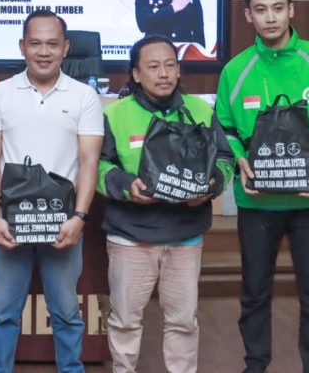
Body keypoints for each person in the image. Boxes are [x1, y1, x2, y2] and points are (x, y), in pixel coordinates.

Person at [214, 0, 309, 373]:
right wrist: (238, 158)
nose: (270, 17)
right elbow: (224, 128)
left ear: (292, 10)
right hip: (257, 203)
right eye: (261, 10)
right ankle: (255, 365)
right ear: (248, 15)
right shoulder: (235, 70)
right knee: (254, 294)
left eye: (278, 8)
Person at [98, 35, 233, 373]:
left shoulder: (202, 111)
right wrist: (127, 186)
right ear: (136, 74)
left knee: (183, 323)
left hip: (185, 236)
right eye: (154, 66)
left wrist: (213, 184)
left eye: (170, 65)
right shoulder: (114, 114)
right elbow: (98, 166)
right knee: (125, 322)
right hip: (131, 237)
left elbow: (225, 159)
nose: (163, 73)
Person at [0, 10, 104, 373]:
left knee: (65, 311)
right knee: (4, 312)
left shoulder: (84, 96)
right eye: (35, 43)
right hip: (11, 222)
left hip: (63, 222)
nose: (44, 52)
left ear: (66, 48)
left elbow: (89, 161)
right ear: (22, 46)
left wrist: (79, 217)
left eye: (52, 44)